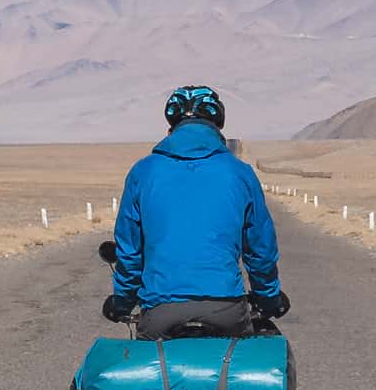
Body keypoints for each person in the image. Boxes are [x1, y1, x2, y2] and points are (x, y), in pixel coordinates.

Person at [103, 85, 289, 339]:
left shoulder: (143, 172)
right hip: (225, 308)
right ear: (217, 128)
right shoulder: (239, 172)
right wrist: (268, 297)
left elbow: (129, 249)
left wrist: (122, 301)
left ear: (171, 128)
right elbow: (260, 249)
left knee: (150, 370)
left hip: (160, 311)